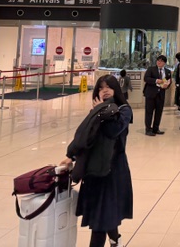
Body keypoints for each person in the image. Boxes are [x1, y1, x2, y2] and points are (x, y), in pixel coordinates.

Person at [61, 75, 133, 247]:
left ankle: (114, 240)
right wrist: (72, 156)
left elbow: (112, 131)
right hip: (94, 169)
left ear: (116, 89)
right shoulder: (97, 111)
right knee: (103, 213)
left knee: (101, 219)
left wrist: (100, 110)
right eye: (101, 88)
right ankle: (116, 240)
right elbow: (87, 137)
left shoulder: (124, 110)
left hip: (112, 169)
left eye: (108, 87)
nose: (104, 91)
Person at [143, 55, 171, 136]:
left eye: (161, 61)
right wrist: (156, 81)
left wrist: (167, 86)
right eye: (158, 60)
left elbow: (169, 81)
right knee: (149, 112)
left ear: (164, 63)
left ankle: (156, 128)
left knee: (159, 112)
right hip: (151, 94)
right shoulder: (151, 69)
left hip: (161, 94)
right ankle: (148, 129)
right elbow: (146, 78)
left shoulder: (167, 71)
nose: (159, 62)